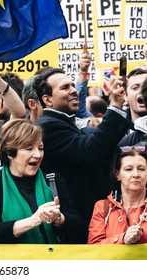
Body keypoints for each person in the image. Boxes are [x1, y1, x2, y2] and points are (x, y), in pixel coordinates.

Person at [34, 67, 130, 242]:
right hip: (75, 223)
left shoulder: (68, 123)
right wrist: (114, 106)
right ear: (47, 100)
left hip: (94, 217)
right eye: (65, 88)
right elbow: (90, 151)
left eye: (73, 85)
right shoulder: (48, 126)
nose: (74, 91)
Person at [0, 119, 83, 244]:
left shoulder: (53, 181)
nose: (38, 155)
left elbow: (78, 225)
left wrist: (59, 219)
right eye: (29, 149)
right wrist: (33, 221)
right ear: (10, 153)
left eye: (40, 148)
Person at [88, 147, 147, 244]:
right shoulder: (102, 207)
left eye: (141, 169)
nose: (136, 174)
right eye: (129, 169)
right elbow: (93, 248)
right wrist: (122, 239)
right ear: (117, 174)